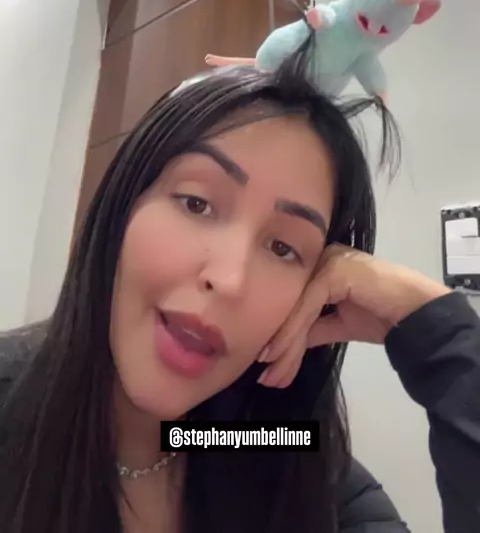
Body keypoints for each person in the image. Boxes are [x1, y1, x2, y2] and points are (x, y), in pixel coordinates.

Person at [0, 45, 479, 533]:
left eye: (283, 248)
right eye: (196, 203)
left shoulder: (269, 450)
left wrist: (433, 327)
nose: (230, 280)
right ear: (122, 205)